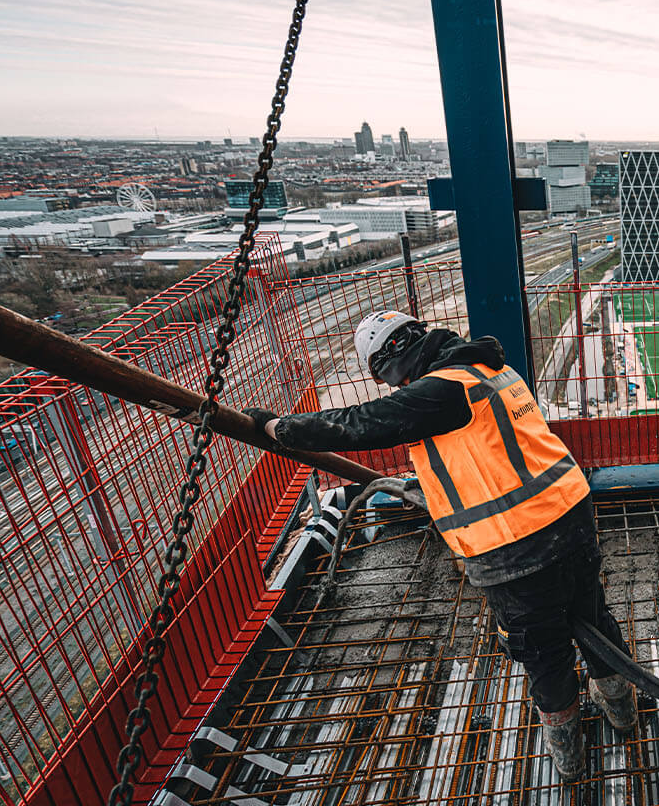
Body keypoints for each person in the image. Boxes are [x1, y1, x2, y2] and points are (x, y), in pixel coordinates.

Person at [245, 310, 633, 780]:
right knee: (592, 618)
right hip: (572, 517)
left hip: (515, 547)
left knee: (543, 652)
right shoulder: (488, 368)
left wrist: (278, 429)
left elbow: (358, 423)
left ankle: (570, 758)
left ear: (387, 365)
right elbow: (491, 450)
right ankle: (623, 711)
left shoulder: (443, 390)